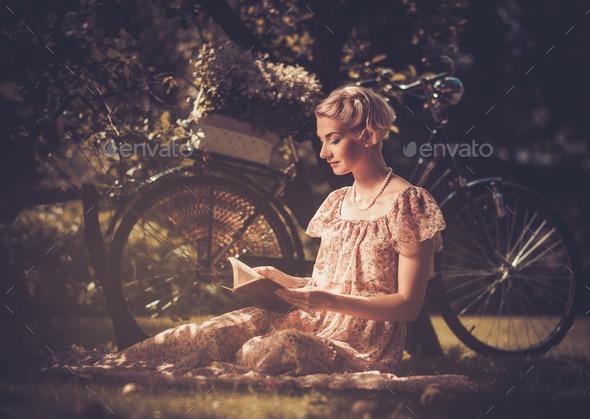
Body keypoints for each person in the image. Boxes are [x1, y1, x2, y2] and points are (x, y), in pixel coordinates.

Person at [41, 85, 474, 392]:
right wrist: (284, 281)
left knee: (274, 347)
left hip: (361, 344)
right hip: (312, 318)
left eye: (333, 140)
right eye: (322, 140)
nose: (323, 153)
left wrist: (329, 302)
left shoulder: (409, 204)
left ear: (368, 134)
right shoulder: (338, 201)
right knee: (210, 332)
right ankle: (111, 368)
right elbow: (327, 282)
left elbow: (408, 305)